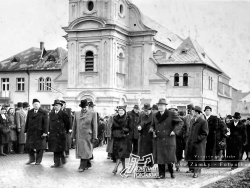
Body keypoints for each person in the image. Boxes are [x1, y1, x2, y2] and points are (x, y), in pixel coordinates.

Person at [149, 98, 182, 179]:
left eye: (161, 105)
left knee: (169, 157)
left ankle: (171, 172)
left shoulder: (171, 114)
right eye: (159, 105)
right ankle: (161, 174)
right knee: (160, 158)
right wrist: (152, 130)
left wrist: (174, 131)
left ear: (165, 106)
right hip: (159, 139)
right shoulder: (155, 115)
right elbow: (152, 125)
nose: (160, 107)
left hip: (168, 139)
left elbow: (180, 122)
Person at [72, 100, 98, 172]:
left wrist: (94, 137)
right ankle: (88, 163)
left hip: (88, 136)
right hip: (79, 135)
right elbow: (74, 125)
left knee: (86, 150)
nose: (84, 109)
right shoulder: (77, 114)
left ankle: (82, 166)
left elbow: (95, 126)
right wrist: (73, 136)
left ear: (88, 107)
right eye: (82, 107)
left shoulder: (93, 114)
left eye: (85, 107)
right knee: (82, 150)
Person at [185, 106, 209, 178]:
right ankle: (192, 169)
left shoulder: (203, 122)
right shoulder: (192, 120)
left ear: (197, 112)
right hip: (191, 142)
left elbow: (205, 133)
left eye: (193, 111)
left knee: (198, 158)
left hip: (199, 144)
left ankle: (197, 172)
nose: (192, 112)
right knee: (192, 156)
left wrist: (197, 139)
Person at [25, 99, 49, 165]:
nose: (36, 105)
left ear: (39, 105)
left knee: (40, 147)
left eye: (37, 104)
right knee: (29, 146)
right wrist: (26, 130)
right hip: (31, 132)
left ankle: (38, 160)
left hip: (40, 132)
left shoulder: (44, 112)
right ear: (32, 105)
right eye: (34, 104)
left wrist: (45, 132)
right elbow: (27, 121)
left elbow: (46, 123)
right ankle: (31, 159)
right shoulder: (30, 112)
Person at [48, 100, 70, 168]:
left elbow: (67, 124)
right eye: (54, 105)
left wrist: (64, 131)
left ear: (60, 106)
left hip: (61, 134)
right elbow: (49, 123)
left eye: (57, 105)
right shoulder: (51, 114)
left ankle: (60, 162)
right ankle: (56, 163)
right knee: (55, 149)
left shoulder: (64, 114)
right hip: (53, 134)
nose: (55, 107)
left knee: (60, 149)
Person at [111, 105, 131, 174]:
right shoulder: (115, 118)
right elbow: (112, 127)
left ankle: (115, 168)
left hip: (124, 138)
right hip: (116, 138)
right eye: (119, 110)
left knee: (120, 153)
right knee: (119, 154)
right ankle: (124, 168)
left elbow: (130, 128)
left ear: (124, 111)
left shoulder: (128, 118)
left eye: (122, 110)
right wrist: (113, 134)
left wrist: (124, 131)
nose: (120, 112)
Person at [169, 105, 184, 172]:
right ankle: (170, 166)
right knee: (170, 152)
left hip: (178, 138)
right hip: (169, 137)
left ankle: (177, 165)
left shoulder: (181, 118)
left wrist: (176, 132)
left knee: (178, 152)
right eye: (171, 110)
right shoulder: (168, 118)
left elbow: (184, 127)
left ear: (177, 111)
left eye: (174, 110)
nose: (173, 111)